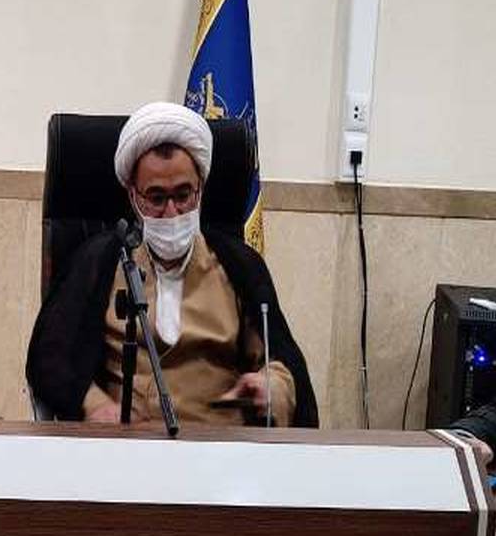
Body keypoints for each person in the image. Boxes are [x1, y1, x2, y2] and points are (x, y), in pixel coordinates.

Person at [26, 101, 317, 426]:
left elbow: (280, 361)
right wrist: (95, 405)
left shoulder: (239, 266)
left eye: (183, 195)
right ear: (133, 196)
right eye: (156, 198)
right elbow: (49, 357)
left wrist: (271, 386)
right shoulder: (101, 262)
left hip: (219, 445)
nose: (171, 212)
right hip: (128, 444)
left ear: (200, 189)